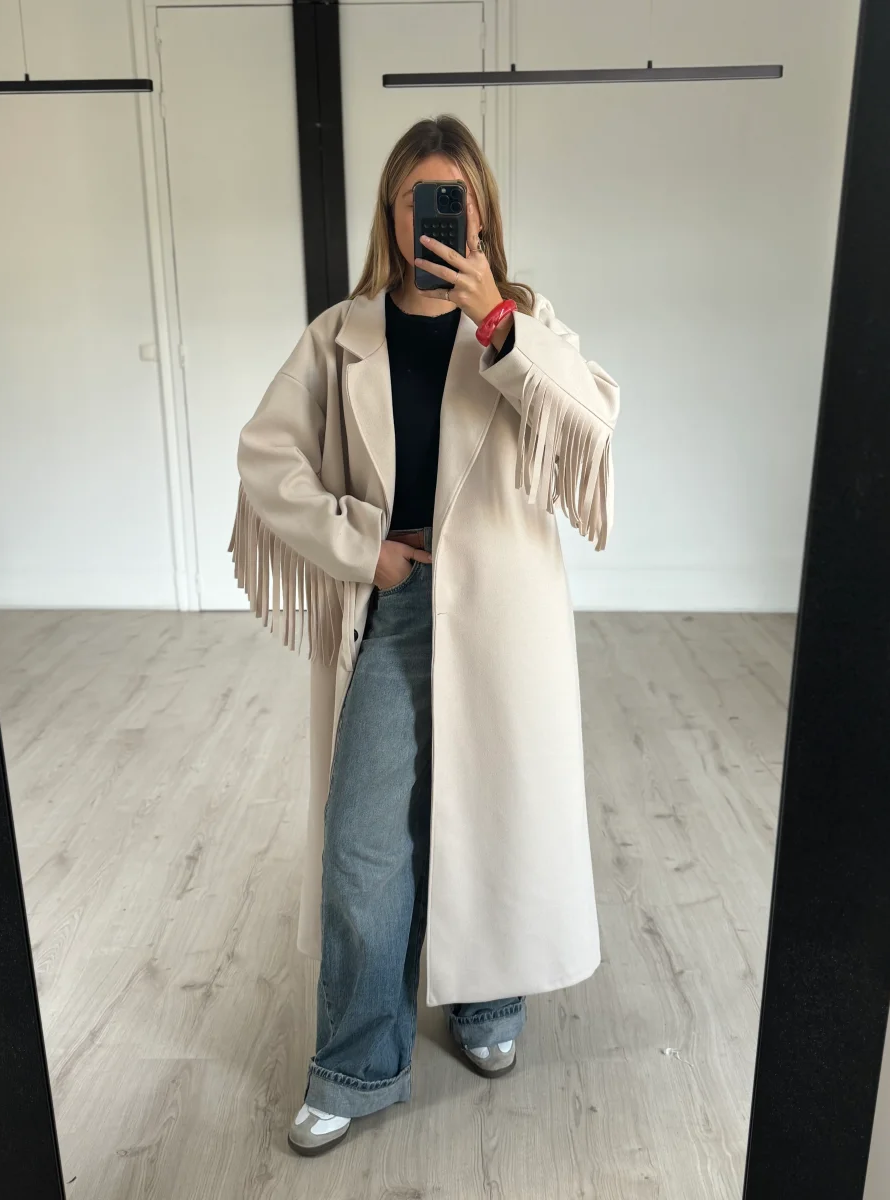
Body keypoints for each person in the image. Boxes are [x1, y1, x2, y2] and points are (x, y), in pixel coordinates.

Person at [229, 114, 619, 1157]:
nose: (440, 217)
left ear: (481, 213)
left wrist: (499, 323)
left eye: (458, 198)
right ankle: (358, 1061)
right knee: (364, 839)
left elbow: (592, 423)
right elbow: (266, 457)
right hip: (397, 601)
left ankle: (487, 1001)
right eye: (420, 199)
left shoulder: (521, 321)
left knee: (491, 811)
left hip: (503, 609)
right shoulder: (341, 333)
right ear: (392, 215)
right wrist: (362, 546)